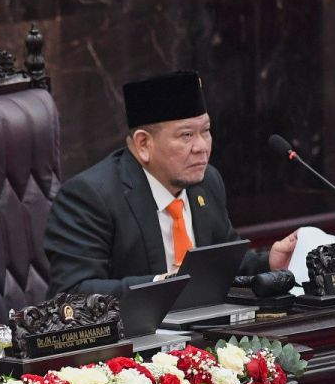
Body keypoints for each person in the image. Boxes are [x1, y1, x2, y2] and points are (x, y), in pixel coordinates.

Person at [44, 70, 297, 298]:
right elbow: (72, 292)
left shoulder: (208, 182)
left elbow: (224, 264)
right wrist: (162, 285)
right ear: (144, 144)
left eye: (205, 130)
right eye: (186, 135)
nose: (201, 147)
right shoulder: (91, 196)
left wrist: (268, 264)